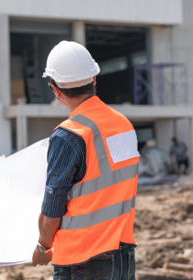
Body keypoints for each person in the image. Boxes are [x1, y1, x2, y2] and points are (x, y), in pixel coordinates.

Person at [31, 41, 140, 280]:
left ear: (56, 90)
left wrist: (43, 247)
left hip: (82, 259)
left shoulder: (68, 135)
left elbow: (53, 208)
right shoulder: (124, 125)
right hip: (123, 254)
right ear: (94, 80)